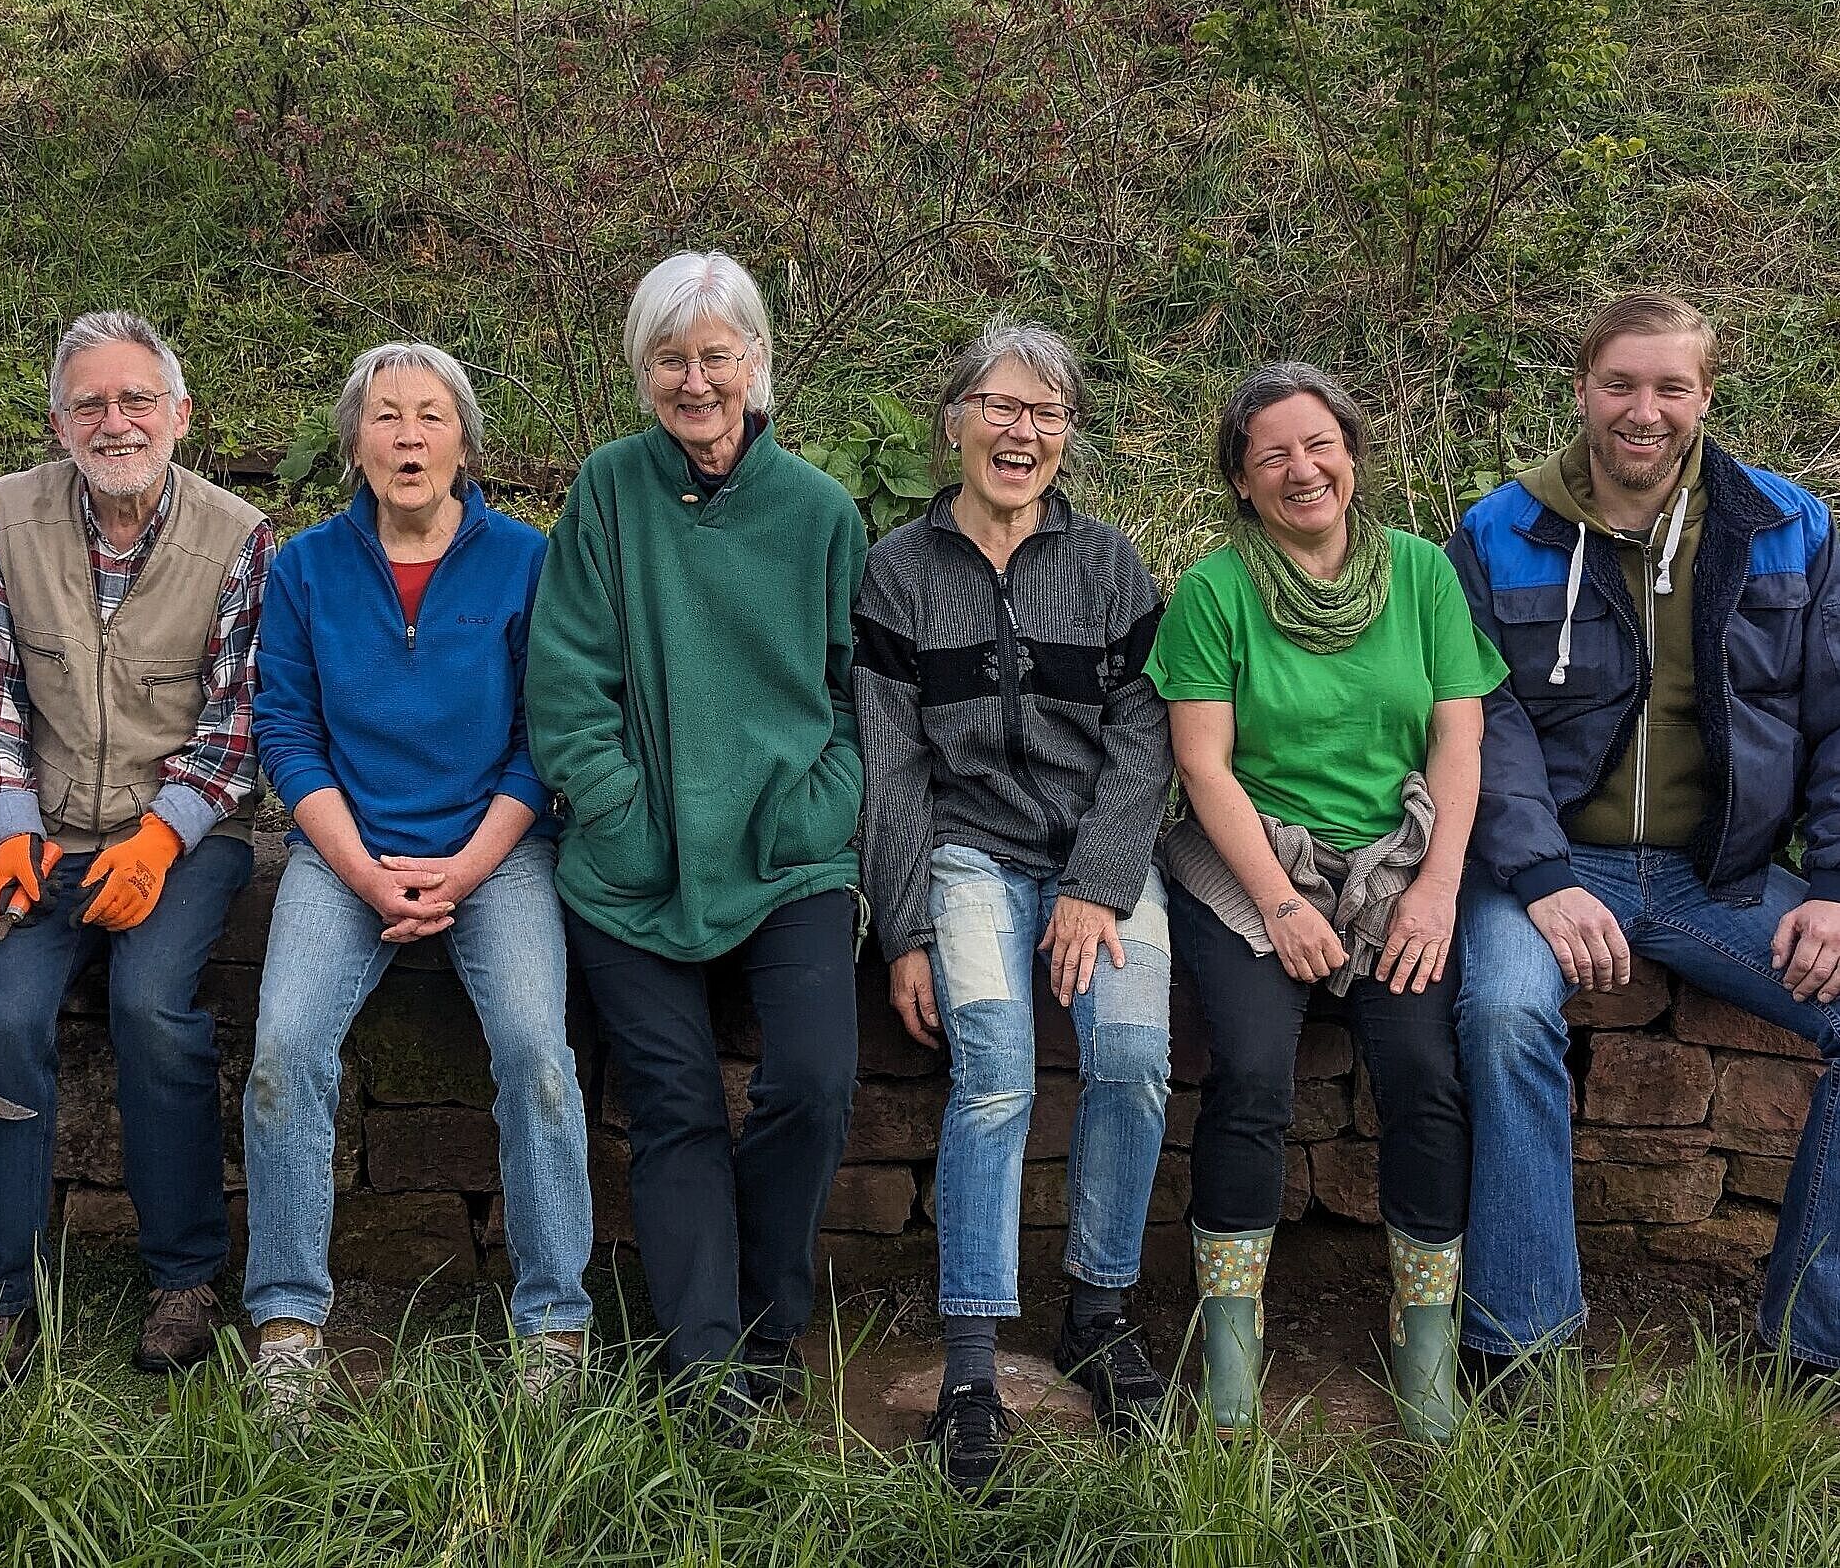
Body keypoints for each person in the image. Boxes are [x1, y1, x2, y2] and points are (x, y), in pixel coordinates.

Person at [1449, 294, 1840, 1391]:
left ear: (1706, 397)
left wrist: (1833, 887)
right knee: (1502, 1010)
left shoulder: (1788, 529)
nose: (1643, 410)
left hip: (1714, 872)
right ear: (1580, 387)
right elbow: (1480, 719)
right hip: (1542, 868)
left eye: (1671, 387)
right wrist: (1534, 874)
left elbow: (1833, 711)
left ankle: (1810, 1342)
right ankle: (1519, 1340)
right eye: (1620, 383)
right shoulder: (1496, 531)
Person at [525, 250, 865, 1433]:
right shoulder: (608, 491)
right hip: (632, 861)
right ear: (643, 370)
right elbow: (565, 682)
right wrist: (616, 807)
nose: (695, 379)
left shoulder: (822, 512)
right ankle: (707, 1368)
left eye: (716, 355)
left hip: (788, 857)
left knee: (814, 1081)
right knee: (669, 1101)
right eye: (670, 357)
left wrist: (814, 808)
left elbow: (852, 692)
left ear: (757, 365)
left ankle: (771, 1321)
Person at [1146, 363, 1506, 1442]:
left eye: (1320, 446)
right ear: (1242, 483)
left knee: (1426, 1071)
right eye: (1272, 456)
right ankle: (1230, 1340)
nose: (1301, 469)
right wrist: (1281, 904)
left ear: (1350, 454)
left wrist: (1437, 885)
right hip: (1255, 857)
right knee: (1251, 1070)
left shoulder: (1424, 576)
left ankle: (1425, 1335)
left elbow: (1458, 734)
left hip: (1396, 861)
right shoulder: (1215, 589)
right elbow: (1203, 767)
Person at [853, 321, 1175, 1489]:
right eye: (999, 406)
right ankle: (974, 1361)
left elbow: (1146, 741)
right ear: (955, 420)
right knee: (992, 1062)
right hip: (966, 855)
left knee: (1133, 1052)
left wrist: (1097, 884)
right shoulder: (899, 568)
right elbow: (888, 764)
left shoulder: (1110, 565)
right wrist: (904, 927)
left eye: (1045, 414)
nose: (1020, 432)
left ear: (1067, 435)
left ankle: (1096, 1308)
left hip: (1100, 854)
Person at [242, 342, 593, 1414]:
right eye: (385, 416)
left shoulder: (528, 560)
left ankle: (555, 1323)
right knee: (282, 1051)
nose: (407, 436)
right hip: (342, 851)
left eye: (430, 416)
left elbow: (547, 736)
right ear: (353, 441)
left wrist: (463, 868)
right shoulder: (304, 568)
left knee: (537, 1051)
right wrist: (362, 867)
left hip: (496, 850)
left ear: (465, 441)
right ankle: (289, 1319)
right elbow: (286, 733)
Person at [0, 310, 272, 1387]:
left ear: (180, 415)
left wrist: (160, 835)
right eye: (90, 401)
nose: (115, 419)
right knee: (4, 1019)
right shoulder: (5, 516)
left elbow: (238, 727)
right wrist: (6, 825)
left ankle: (184, 1275)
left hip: (182, 835)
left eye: (137, 399)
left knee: (151, 1010)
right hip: (41, 839)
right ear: (58, 419)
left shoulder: (237, 536)